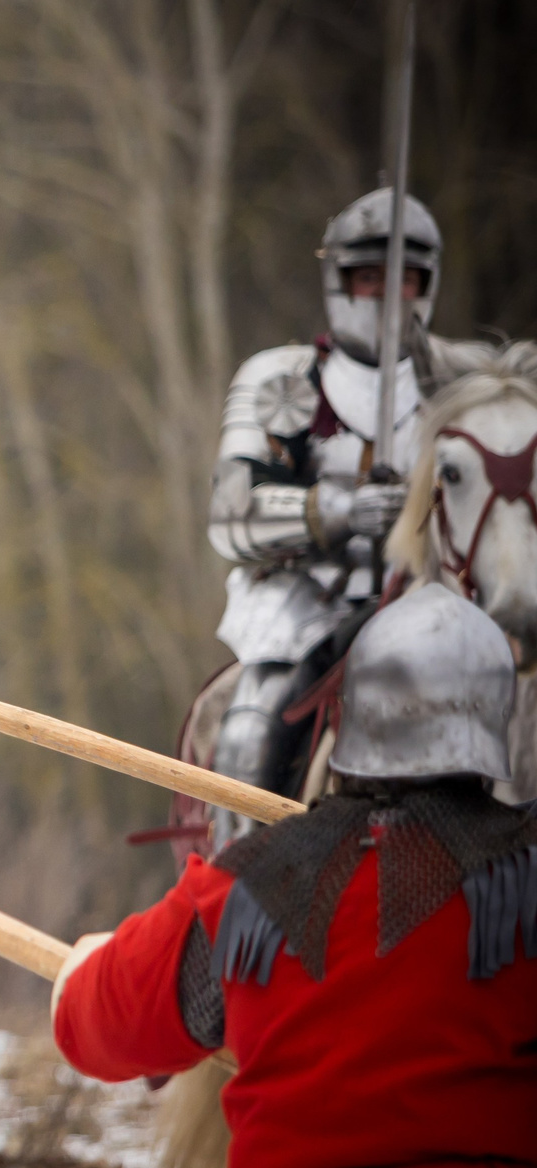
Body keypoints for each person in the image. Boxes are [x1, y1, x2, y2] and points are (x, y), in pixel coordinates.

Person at [54, 581, 537, 1168]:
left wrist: (83, 973)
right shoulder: (527, 879)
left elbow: (102, 1022)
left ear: (350, 720)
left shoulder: (251, 885)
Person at [203, 190, 443, 844]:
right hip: (310, 603)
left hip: (433, 603)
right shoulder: (282, 380)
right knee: (257, 721)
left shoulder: (458, 383)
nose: (387, 295)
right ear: (340, 280)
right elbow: (231, 513)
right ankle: (237, 870)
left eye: (405, 279)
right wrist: (332, 509)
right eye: (369, 278)